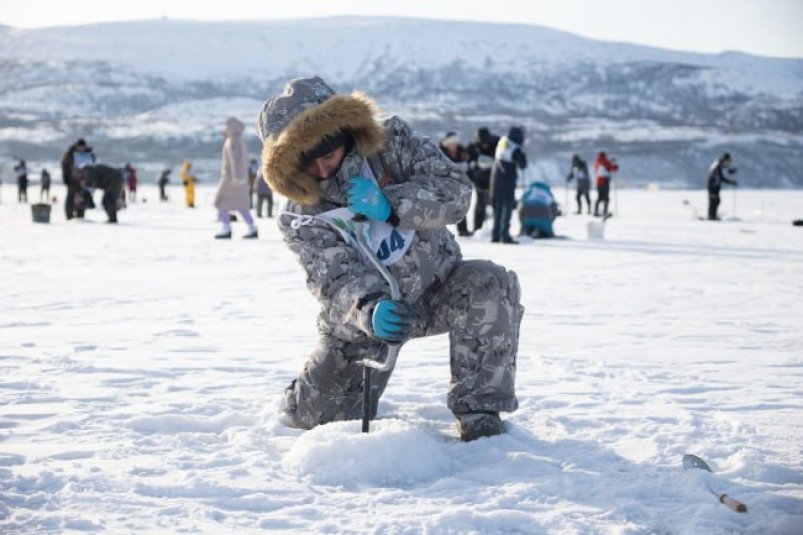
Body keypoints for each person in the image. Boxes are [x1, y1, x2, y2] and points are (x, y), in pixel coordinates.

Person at [257, 76, 523, 441]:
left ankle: (480, 412)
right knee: (318, 420)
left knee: (491, 284)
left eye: (328, 156)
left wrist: (393, 204)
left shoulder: (393, 143)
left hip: (437, 289)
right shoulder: (299, 216)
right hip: (369, 320)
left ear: (345, 135)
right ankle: (304, 397)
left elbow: (457, 193)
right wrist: (368, 309)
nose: (321, 171)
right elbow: (334, 279)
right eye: (308, 164)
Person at [214, 117, 258, 239]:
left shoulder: (232, 140)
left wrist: (237, 177)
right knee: (241, 206)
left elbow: (235, 160)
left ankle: (226, 228)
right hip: (238, 179)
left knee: (221, 203)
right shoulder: (238, 139)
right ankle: (251, 228)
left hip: (231, 180)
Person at [490, 126, 527, 244]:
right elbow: (523, 164)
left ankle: (495, 235)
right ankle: (504, 235)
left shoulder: (502, 142)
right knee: (507, 208)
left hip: (496, 178)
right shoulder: (515, 148)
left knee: (498, 209)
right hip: (507, 180)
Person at [466, 127, 499, 233]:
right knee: (480, 203)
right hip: (479, 178)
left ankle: (497, 229)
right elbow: (469, 166)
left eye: (487, 142)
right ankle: (477, 228)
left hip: (494, 178)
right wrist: (474, 178)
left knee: (496, 203)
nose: (485, 145)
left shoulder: (497, 143)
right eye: (483, 143)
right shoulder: (472, 148)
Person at [438, 132, 472, 236]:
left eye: (455, 143)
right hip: (443, 184)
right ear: (447, 144)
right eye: (452, 144)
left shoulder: (461, 152)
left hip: (459, 184)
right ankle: (439, 230)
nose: (454, 146)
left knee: (460, 206)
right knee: (442, 208)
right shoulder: (440, 153)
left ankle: (463, 229)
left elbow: (467, 165)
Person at [61, 138, 96, 219]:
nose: (81, 149)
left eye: (83, 147)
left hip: (83, 179)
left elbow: (92, 165)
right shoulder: (70, 153)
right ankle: (69, 216)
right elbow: (65, 166)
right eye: (80, 147)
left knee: (82, 197)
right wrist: (66, 178)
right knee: (71, 197)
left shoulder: (89, 153)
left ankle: (80, 215)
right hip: (72, 179)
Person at [706, 152, 738, 221]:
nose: (729, 163)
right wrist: (731, 182)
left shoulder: (718, 164)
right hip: (713, 186)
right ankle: (711, 217)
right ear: (725, 160)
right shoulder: (717, 166)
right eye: (728, 161)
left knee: (716, 201)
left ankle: (712, 216)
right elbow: (721, 178)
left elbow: (725, 169)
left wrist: (731, 171)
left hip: (714, 186)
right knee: (714, 201)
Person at [593, 151, 618, 217]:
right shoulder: (605, 162)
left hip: (598, 182)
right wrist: (615, 165)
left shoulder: (596, 162)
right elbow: (612, 168)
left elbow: (605, 166)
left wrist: (610, 162)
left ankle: (595, 211)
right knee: (606, 198)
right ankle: (605, 211)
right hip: (605, 182)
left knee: (599, 197)